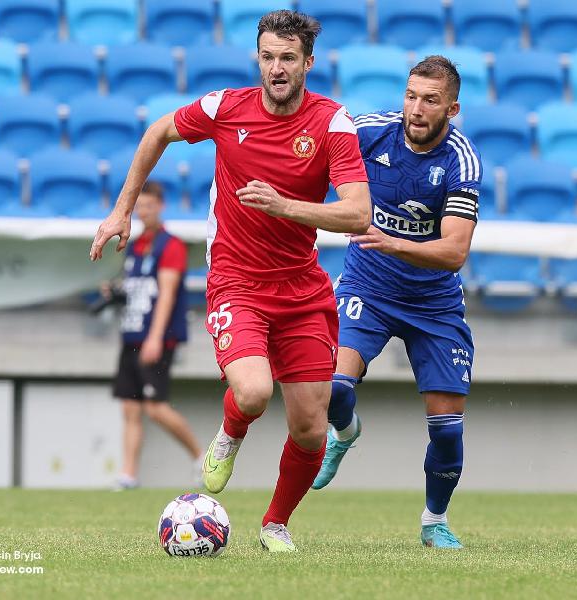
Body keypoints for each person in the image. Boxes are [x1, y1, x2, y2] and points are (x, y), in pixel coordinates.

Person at [90, 10, 370, 552]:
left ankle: (275, 524)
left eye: (288, 58)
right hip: (236, 282)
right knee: (254, 390)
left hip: (302, 289)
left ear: (308, 63)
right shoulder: (225, 108)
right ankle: (230, 434)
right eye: (267, 57)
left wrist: (285, 205)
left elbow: (358, 214)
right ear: (258, 59)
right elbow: (158, 131)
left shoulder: (332, 123)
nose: (276, 68)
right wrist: (122, 210)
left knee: (311, 426)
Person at [310, 56, 482, 550]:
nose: (416, 109)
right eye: (411, 96)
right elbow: (312, 155)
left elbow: (454, 252)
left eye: (430, 100)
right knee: (332, 389)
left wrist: (392, 242)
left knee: (446, 429)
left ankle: (434, 521)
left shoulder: (461, 160)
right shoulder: (370, 133)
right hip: (368, 286)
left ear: (452, 108)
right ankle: (345, 432)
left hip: (434, 303)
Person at [105, 181, 203, 491]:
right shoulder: (135, 246)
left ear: (160, 206)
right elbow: (138, 289)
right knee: (129, 408)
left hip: (155, 339)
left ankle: (201, 457)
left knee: (155, 407)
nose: (144, 212)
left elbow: (167, 294)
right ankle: (128, 474)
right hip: (132, 335)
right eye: (140, 207)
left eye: (149, 206)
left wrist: (155, 338)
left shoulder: (170, 245)